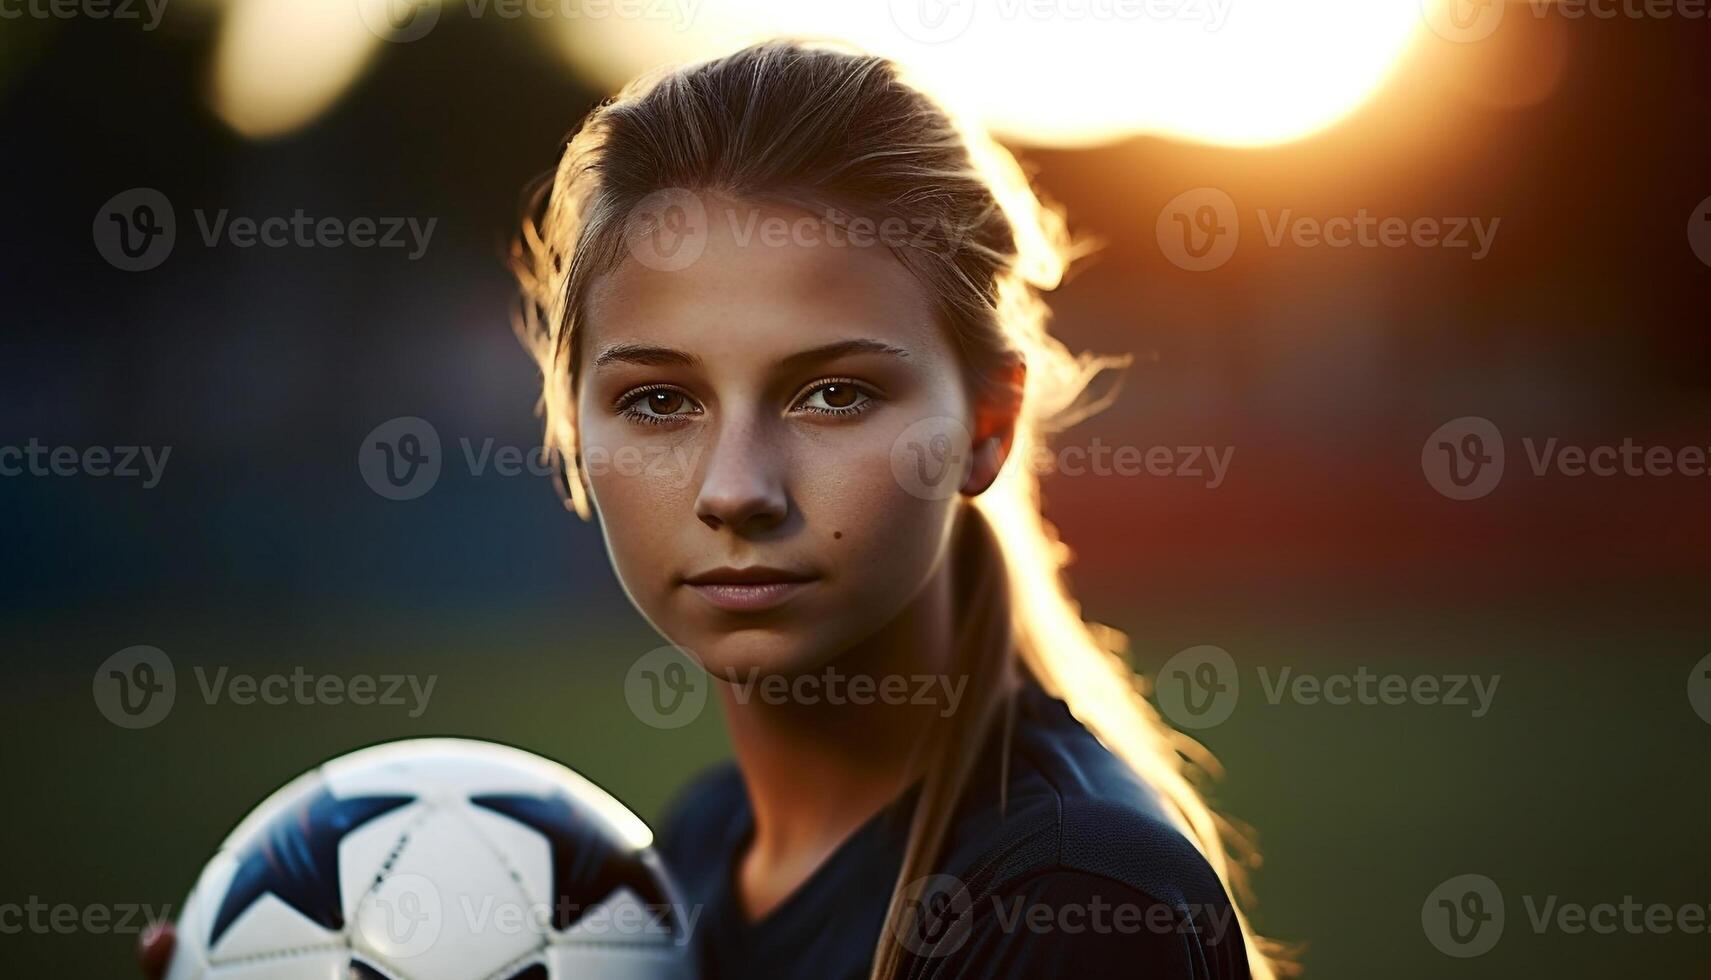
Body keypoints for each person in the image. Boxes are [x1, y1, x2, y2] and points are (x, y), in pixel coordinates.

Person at [142, 37, 1285, 980]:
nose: (736, 487)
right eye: (658, 400)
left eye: (833, 392)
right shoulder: (683, 855)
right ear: (574, 435)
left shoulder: (1072, 903)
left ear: (985, 424)